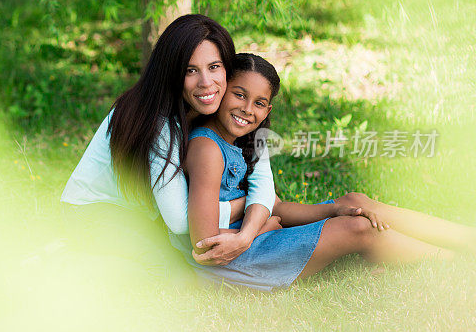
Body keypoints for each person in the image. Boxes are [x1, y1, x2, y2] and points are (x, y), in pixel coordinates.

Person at [187, 53, 473, 289]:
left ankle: (466, 238)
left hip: (254, 238)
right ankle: (451, 260)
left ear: (268, 109)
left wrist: (334, 211)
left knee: (355, 204)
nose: (248, 109)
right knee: (360, 227)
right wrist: (266, 225)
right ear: (222, 91)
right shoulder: (207, 149)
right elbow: (205, 245)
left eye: (259, 103)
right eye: (239, 95)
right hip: (237, 261)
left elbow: (276, 206)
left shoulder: (240, 142)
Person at [61, 15, 279, 262]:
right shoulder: (157, 120)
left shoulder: (225, 105)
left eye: (214, 67)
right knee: (173, 272)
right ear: (172, 72)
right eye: (190, 70)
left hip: (147, 217)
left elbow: (262, 180)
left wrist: (248, 231)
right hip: (93, 212)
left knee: (192, 259)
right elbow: (179, 220)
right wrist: (249, 207)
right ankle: (59, 256)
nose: (206, 83)